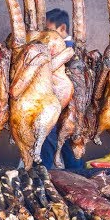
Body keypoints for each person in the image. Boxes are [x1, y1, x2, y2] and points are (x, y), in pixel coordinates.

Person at [41, 9, 83, 169]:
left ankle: (79, 185)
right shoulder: (50, 48)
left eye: (50, 31)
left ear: (62, 29)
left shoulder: (72, 49)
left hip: (70, 111)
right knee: (47, 150)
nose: (47, 36)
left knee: (71, 153)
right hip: (52, 107)